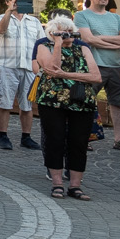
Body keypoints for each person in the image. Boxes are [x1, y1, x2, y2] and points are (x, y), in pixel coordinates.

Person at [34, 15, 100, 201]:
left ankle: (75, 186)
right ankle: (57, 183)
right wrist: (57, 45)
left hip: (81, 101)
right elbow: (52, 69)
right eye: (62, 32)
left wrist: (65, 74)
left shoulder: (83, 47)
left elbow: (96, 76)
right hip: (52, 101)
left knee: (79, 142)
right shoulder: (43, 46)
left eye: (70, 32)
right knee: (55, 140)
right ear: (52, 34)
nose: (67, 36)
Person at [75, 0, 120, 151]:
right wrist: (115, 41)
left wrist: (100, 39)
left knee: (118, 103)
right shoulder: (81, 15)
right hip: (94, 65)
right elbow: (89, 39)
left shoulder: (116, 18)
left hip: (116, 65)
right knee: (86, 102)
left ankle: (119, 140)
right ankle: (83, 137)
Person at [0, 0, 44, 150]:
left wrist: (39, 65)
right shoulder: (0, 18)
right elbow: (0, 31)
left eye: (21, 0)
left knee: (27, 104)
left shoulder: (34, 21)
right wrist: (9, 12)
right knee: (4, 103)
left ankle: (26, 136)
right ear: (7, 2)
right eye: (14, 0)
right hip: (8, 66)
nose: (18, 3)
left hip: (29, 67)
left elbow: (41, 44)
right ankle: (3, 135)